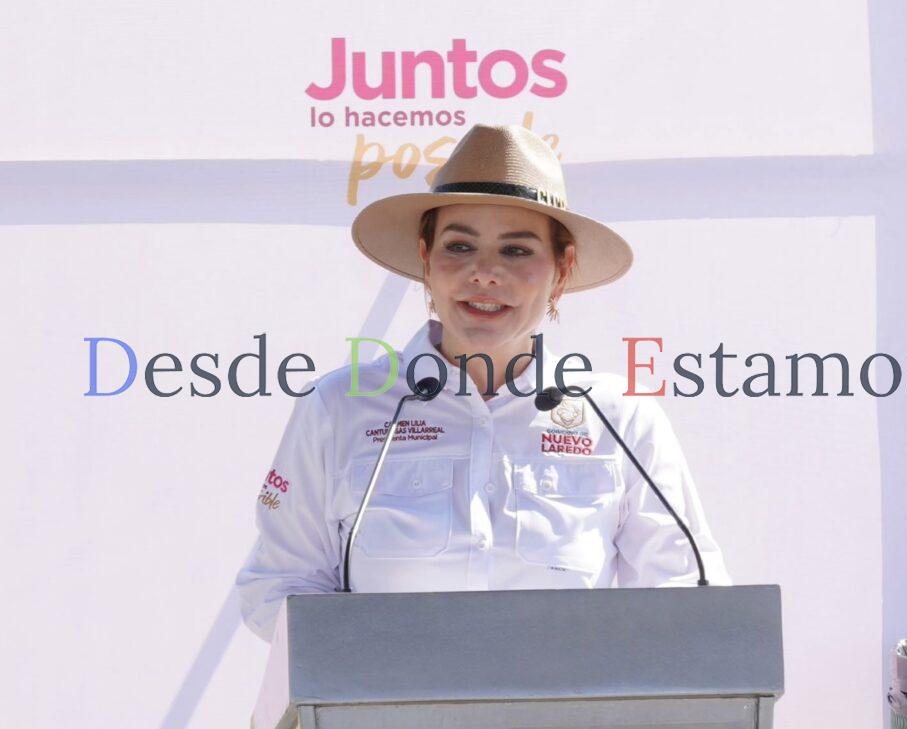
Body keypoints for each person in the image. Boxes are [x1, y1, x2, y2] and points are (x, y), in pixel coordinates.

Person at [235, 123, 730, 642]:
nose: (485, 273)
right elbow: (279, 587)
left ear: (562, 269)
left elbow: (688, 591)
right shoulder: (338, 408)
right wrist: (377, 670)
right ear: (425, 259)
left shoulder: (620, 417)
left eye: (516, 251)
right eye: (460, 246)